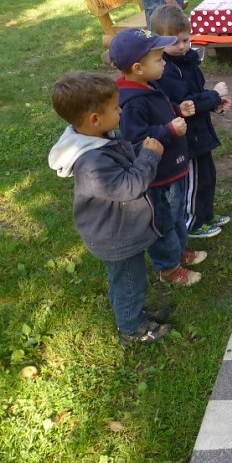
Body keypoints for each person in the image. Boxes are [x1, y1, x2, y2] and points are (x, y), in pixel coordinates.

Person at [48, 71, 171, 345]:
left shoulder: (97, 137)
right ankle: (132, 327)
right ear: (95, 119)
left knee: (124, 280)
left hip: (117, 231)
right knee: (129, 282)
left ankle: (130, 312)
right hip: (116, 237)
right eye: (116, 107)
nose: (121, 110)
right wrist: (150, 157)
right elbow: (129, 186)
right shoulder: (92, 164)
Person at [110, 28, 206, 285]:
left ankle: (179, 252)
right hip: (158, 177)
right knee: (163, 222)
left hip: (173, 169)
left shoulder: (148, 85)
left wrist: (177, 109)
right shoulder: (133, 102)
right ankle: (168, 267)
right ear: (138, 68)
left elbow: (161, 112)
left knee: (176, 217)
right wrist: (169, 130)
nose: (164, 61)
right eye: (158, 59)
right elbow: (136, 140)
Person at [151, 5, 232, 240]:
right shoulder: (165, 70)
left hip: (200, 131)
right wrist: (214, 95)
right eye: (175, 42)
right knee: (194, 180)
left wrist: (215, 104)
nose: (182, 46)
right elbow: (186, 103)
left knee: (208, 175)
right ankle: (192, 222)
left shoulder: (188, 61)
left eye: (186, 40)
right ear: (159, 41)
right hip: (186, 137)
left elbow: (196, 93)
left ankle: (206, 214)